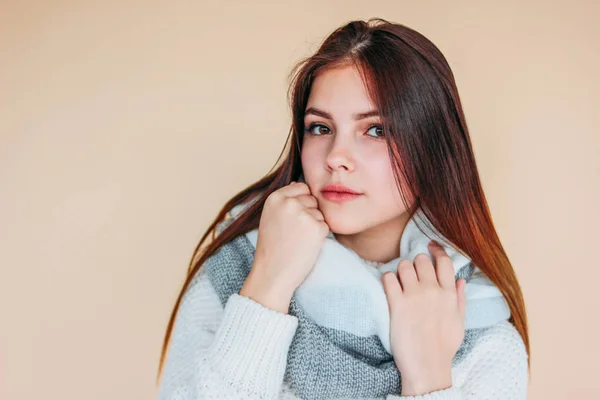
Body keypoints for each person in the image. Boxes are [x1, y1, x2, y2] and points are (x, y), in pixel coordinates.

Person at [156, 17, 530, 399]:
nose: (336, 157)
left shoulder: (480, 333)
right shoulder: (234, 272)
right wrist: (267, 285)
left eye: (376, 130)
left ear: (431, 149)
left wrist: (428, 379)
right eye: (320, 127)